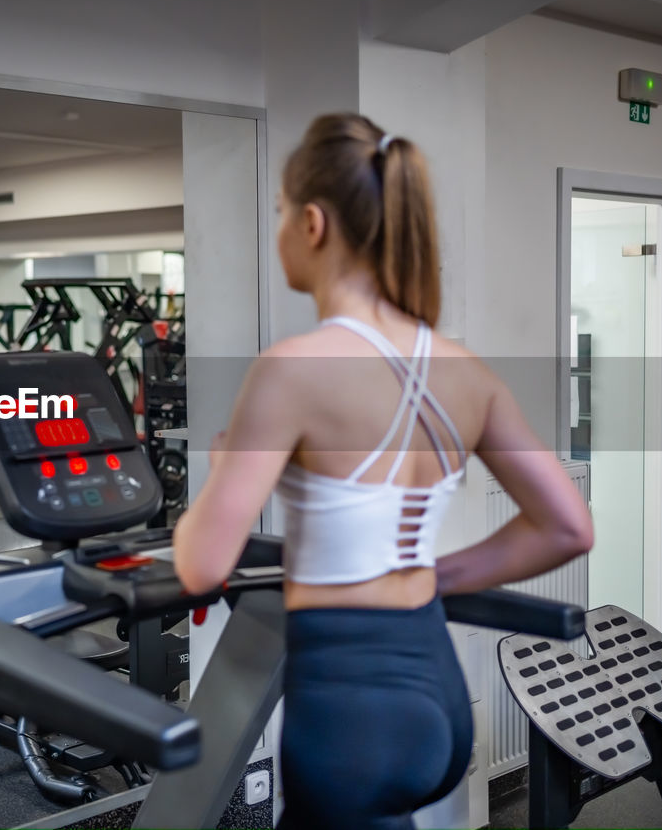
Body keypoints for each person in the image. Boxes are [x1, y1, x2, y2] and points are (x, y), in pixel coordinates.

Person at [171, 114, 594, 830]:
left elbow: (200, 563)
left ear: (311, 223)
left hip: (349, 712)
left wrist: (223, 468)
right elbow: (568, 526)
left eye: (278, 213)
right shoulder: (465, 372)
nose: (277, 230)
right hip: (436, 696)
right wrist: (438, 575)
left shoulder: (292, 370)